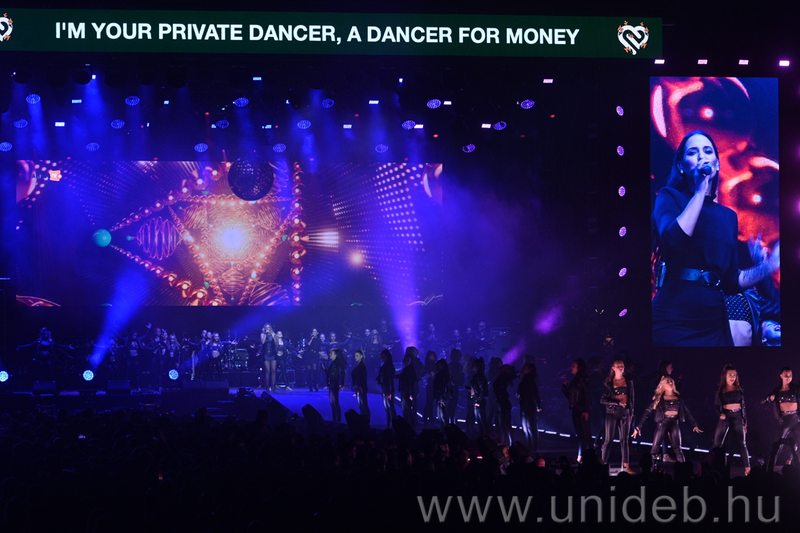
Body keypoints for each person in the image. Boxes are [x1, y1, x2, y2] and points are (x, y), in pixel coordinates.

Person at [652, 130, 779, 346]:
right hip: (674, 314)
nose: (701, 156)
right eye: (693, 152)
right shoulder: (670, 197)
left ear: (717, 164)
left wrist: (769, 265)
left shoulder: (728, 216)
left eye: (707, 151)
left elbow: (731, 281)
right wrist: (700, 191)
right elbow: (673, 240)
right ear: (681, 166)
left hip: (713, 318)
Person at [633, 376, 702, 463]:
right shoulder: (659, 398)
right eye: (668, 381)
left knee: (678, 449)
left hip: (674, 423)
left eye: (671, 381)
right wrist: (639, 426)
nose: (670, 382)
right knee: (655, 449)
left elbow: (687, 411)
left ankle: (683, 468)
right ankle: (650, 467)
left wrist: (694, 424)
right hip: (662, 423)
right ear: (663, 385)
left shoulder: (679, 397)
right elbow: (647, 412)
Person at [713, 364, 751, 475]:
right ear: (725, 376)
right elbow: (716, 405)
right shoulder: (720, 389)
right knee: (717, 444)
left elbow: (743, 406)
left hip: (738, 417)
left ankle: (747, 469)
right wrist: (720, 414)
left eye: (734, 375)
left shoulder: (740, 388)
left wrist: (745, 421)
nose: (732, 377)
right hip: (725, 416)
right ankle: (712, 467)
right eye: (730, 375)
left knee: (742, 444)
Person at [600, 360, 635, 473]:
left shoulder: (629, 381)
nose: (621, 367)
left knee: (624, 440)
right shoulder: (609, 383)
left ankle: (627, 466)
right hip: (612, 412)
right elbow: (603, 399)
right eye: (618, 366)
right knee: (608, 440)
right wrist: (617, 402)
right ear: (613, 368)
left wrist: (632, 413)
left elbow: (632, 398)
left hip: (625, 412)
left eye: (622, 366)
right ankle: (603, 464)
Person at [763, 367, 800, 465]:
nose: (788, 377)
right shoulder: (777, 391)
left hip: (796, 420)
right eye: (786, 375)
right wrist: (769, 398)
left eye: (790, 375)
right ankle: (769, 469)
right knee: (777, 447)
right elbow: (762, 401)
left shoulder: (796, 389)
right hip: (784, 420)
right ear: (781, 376)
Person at [562, 358, 591, 463]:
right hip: (576, 410)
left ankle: (588, 456)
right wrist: (564, 388)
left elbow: (587, 395)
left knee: (585, 434)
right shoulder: (575, 380)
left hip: (581, 410)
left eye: (574, 366)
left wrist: (586, 410)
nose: (571, 368)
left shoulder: (582, 380)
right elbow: (571, 398)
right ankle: (581, 456)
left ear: (579, 368)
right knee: (580, 434)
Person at [517, 362, 543, 452]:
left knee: (530, 427)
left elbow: (534, 394)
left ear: (529, 370)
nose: (522, 369)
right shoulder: (525, 381)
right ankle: (530, 447)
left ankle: (533, 448)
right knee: (526, 428)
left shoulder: (530, 381)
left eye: (525, 368)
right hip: (524, 406)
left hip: (529, 406)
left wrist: (537, 405)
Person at [494, 364, 516, 446]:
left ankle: (511, 443)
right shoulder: (501, 378)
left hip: (503, 402)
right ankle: (504, 442)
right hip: (500, 402)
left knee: (506, 423)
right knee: (502, 424)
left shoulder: (505, 378)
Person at [324, 348, 346, 423]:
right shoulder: (333, 363)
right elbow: (330, 373)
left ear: (335, 355)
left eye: (331, 353)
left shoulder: (337, 363)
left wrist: (341, 383)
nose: (330, 355)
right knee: (332, 402)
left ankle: (337, 419)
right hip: (332, 383)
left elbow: (341, 373)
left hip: (335, 383)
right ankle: (335, 419)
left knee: (335, 402)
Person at [469, 357, 490, 437]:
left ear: (478, 366)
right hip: (477, 400)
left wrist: (479, 399)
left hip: (479, 400)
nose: (472, 366)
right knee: (480, 420)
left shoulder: (479, 376)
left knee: (482, 420)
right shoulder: (478, 376)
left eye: (474, 365)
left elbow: (482, 388)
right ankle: (482, 436)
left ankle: (485, 436)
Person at [376, 349, 396, 429]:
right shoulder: (385, 366)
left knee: (390, 408)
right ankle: (390, 424)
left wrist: (390, 392)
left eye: (383, 356)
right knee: (388, 408)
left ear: (387, 356)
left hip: (387, 390)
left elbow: (390, 379)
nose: (382, 358)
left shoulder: (389, 366)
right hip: (385, 389)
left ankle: (393, 424)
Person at [397, 352, 418, 427]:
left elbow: (411, 383)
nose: (406, 361)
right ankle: (408, 425)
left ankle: (410, 425)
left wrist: (411, 394)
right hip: (405, 391)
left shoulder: (410, 370)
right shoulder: (406, 369)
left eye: (407, 360)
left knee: (407, 409)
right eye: (405, 360)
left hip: (407, 392)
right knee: (405, 409)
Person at [351, 349, 370, 426]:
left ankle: (366, 421)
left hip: (361, 387)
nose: (355, 357)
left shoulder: (362, 366)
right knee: (361, 405)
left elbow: (362, 378)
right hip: (358, 387)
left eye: (357, 356)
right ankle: (363, 421)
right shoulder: (358, 365)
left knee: (364, 405)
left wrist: (360, 386)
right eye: (355, 356)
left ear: (361, 356)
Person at [260, 324, 277, 392]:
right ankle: (267, 386)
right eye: (266, 327)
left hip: (273, 353)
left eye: (269, 327)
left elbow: (277, 344)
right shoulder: (263, 334)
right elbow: (263, 342)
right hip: (266, 353)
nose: (268, 328)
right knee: (267, 370)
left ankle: (273, 387)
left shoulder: (273, 334)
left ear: (271, 328)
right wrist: (265, 335)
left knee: (273, 370)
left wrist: (275, 337)